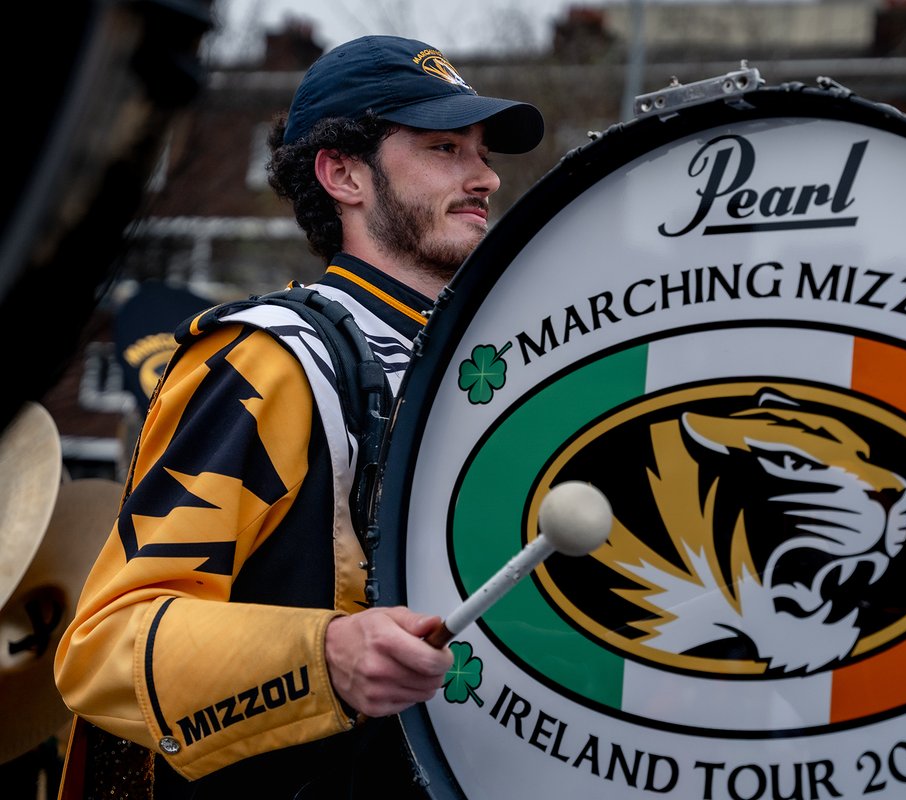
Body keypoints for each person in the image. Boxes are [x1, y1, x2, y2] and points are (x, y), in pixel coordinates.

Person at [53, 34, 544, 798]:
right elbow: (106, 645)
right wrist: (325, 654)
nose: (483, 176)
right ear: (343, 173)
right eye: (445, 147)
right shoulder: (268, 361)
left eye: (482, 152)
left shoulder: (487, 368)